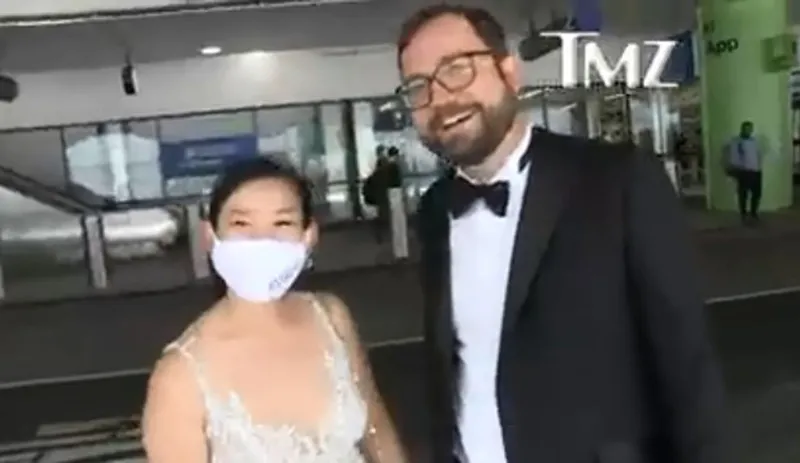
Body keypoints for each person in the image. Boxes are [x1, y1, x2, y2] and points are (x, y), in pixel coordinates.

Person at [395, 5, 726, 463]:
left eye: (457, 69)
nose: (440, 98)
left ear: (510, 73)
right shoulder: (434, 210)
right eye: (418, 87)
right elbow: (452, 368)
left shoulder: (618, 180)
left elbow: (688, 370)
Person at [141, 158, 407, 462]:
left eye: (283, 223)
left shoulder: (331, 317)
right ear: (210, 235)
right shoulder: (179, 375)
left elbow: (377, 428)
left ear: (309, 236)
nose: (262, 240)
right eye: (241, 223)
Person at [724, 121, 764, 225]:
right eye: (747, 129)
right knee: (743, 194)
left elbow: (758, 154)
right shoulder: (737, 142)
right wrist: (738, 169)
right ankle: (743, 214)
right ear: (742, 129)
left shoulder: (754, 141)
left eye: (750, 129)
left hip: (756, 171)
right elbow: (734, 158)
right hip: (744, 171)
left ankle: (754, 213)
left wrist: (759, 166)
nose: (749, 131)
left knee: (757, 193)